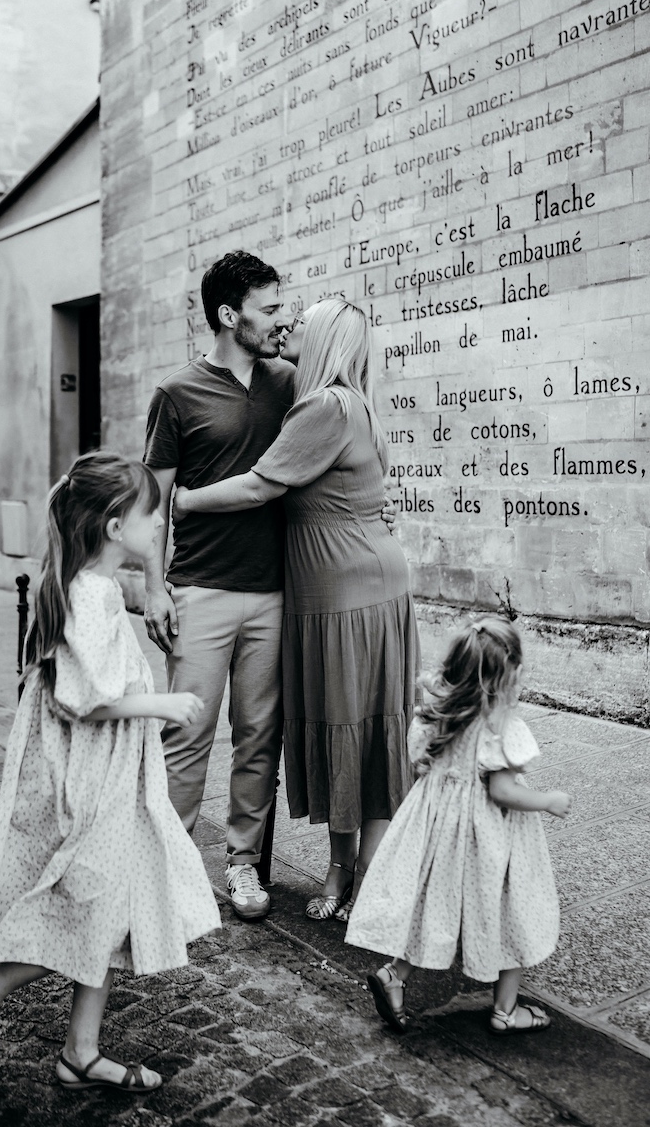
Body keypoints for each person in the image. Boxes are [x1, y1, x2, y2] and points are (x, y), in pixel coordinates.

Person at [0, 453, 221, 1091]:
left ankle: (81, 1050)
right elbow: (86, 699)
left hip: (104, 773)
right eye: (149, 515)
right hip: (89, 779)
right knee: (86, 902)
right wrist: (163, 703)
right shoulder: (91, 595)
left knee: (109, 905)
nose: (158, 526)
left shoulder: (92, 586)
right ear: (113, 527)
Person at [174, 298, 419, 922]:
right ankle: (350, 877)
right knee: (354, 734)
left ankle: (370, 889)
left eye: (301, 322)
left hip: (347, 594)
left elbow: (260, 485)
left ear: (325, 340)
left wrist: (185, 501)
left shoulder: (323, 406)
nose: (289, 327)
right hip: (342, 586)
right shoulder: (342, 402)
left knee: (357, 734)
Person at [143, 251, 293, 921]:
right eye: (269, 308)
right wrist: (152, 587)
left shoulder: (287, 383)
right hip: (199, 587)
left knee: (260, 733)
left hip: (271, 590)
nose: (279, 320)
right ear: (230, 315)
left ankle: (242, 867)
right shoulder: (177, 393)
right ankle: (165, 869)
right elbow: (153, 502)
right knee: (188, 734)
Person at [345, 617, 571, 1037]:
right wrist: (548, 802)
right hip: (488, 835)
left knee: (435, 904)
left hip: (438, 830)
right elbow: (502, 790)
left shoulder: (435, 714)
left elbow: (419, 765)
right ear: (503, 679)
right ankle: (505, 1011)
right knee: (511, 908)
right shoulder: (499, 728)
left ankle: (395, 976)